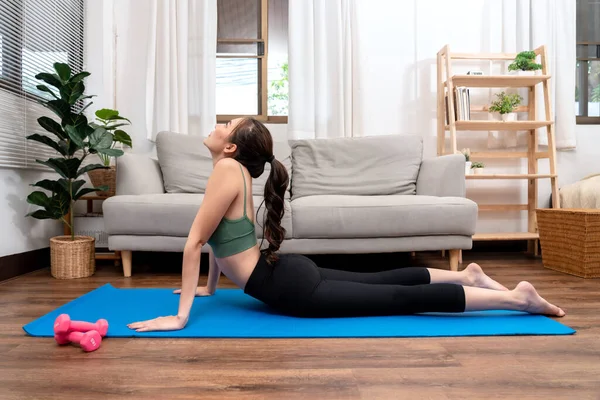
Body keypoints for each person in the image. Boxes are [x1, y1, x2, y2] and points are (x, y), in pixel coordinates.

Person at [128, 118, 565, 332]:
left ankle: (516, 299)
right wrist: (207, 289)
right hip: (285, 273)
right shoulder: (234, 172)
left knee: (395, 297)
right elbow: (222, 243)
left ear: (230, 147)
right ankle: (468, 274)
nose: (218, 125)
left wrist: (182, 315)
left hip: (289, 286)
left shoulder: (225, 172)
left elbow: (195, 241)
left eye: (226, 125)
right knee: (384, 281)